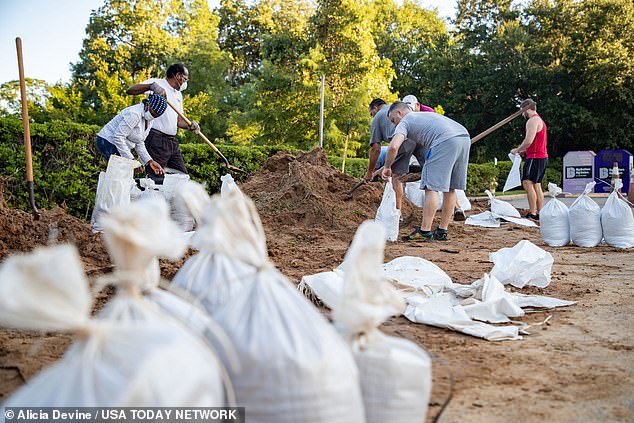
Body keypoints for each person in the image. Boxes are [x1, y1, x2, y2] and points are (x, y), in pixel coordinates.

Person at [382, 101, 470, 241]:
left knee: (430, 187)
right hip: (464, 137)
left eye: (393, 120)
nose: (394, 125)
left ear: (399, 113)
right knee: (451, 188)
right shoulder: (424, 116)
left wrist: (387, 167)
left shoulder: (405, 121)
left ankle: (424, 231)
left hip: (444, 140)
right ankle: (442, 231)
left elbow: (393, 147)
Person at [126, 63, 199, 181]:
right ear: (177, 76)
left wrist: (190, 125)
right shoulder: (157, 83)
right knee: (155, 178)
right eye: (185, 79)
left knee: (182, 177)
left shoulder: (178, 95)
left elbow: (179, 121)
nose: (185, 83)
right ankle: (148, 197)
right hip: (156, 139)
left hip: (171, 142)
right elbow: (130, 90)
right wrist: (150, 86)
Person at [401, 95, 467, 222]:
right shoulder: (412, 116)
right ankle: (452, 217)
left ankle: (426, 229)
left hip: (437, 147)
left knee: (432, 186)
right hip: (453, 140)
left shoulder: (428, 113)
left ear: (417, 105)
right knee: (449, 185)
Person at [365, 98, 425, 211]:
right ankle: (456, 207)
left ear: (375, 108)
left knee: (396, 177)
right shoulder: (397, 106)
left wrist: (369, 173)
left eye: (371, 113)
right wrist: (378, 172)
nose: (372, 116)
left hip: (403, 139)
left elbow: (375, 149)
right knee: (430, 170)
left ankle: (397, 213)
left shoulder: (377, 118)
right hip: (419, 136)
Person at [95, 93, 167, 175]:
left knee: (123, 176)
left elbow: (139, 142)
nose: (152, 116)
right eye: (152, 113)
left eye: (156, 116)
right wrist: (132, 161)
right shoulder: (134, 114)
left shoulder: (150, 120)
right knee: (120, 175)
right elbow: (118, 137)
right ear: (147, 104)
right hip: (107, 142)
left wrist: (150, 161)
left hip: (116, 144)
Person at [511, 99, 547, 221]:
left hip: (535, 157)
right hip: (541, 156)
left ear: (526, 109)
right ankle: (540, 213)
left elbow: (528, 141)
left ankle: (532, 213)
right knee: (536, 184)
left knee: (527, 183)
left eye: (522, 111)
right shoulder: (539, 120)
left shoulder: (533, 121)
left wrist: (518, 149)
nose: (522, 114)